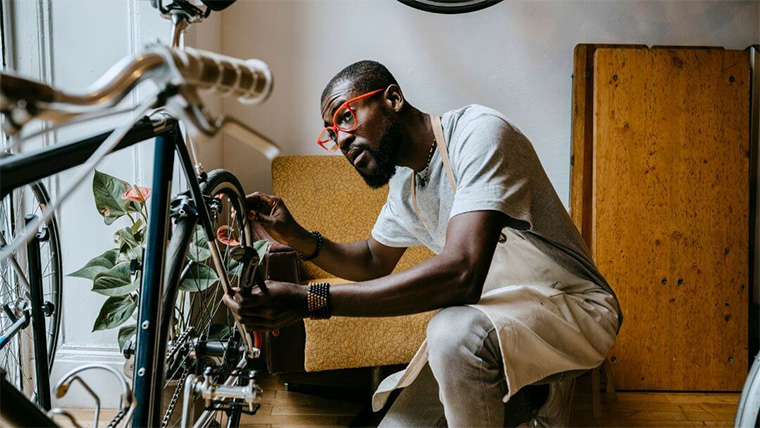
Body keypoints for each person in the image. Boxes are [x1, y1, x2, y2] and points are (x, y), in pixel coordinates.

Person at [222, 60, 622, 427]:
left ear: (392, 99)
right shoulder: (407, 187)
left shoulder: (479, 133)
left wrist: (310, 300)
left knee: (451, 329)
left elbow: (462, 273)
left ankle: (536, 389)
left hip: (575, 308)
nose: (341, 140)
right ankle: (533, 392)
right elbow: (371, 260)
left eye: (346, 117)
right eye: (331, 133)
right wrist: (295, 235)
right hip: (502, 313)